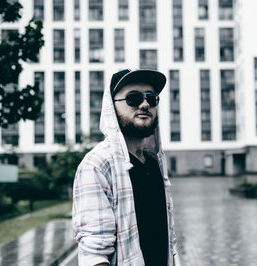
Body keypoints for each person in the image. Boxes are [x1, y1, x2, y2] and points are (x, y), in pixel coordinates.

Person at [72, 69, 178, 266]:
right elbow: (94, 253)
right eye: (133, 98)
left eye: (152, 98)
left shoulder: (155, 163)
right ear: (112, 108)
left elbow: (167, 236)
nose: (145, 104)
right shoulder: (97, 165)